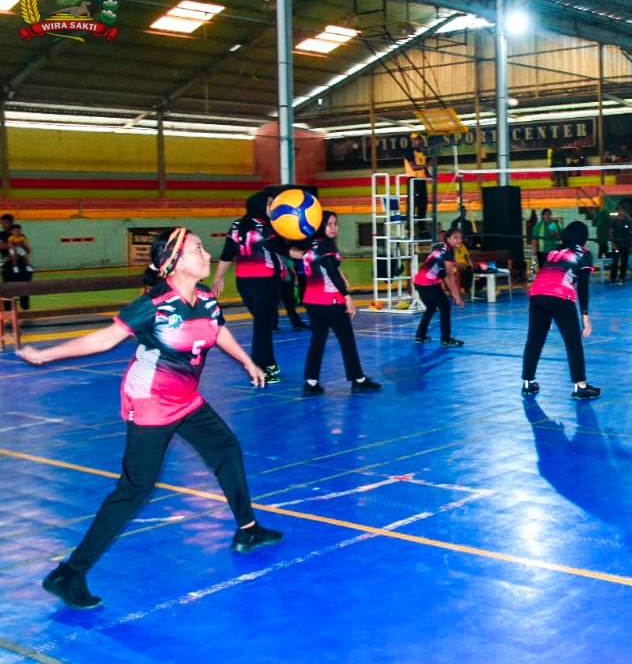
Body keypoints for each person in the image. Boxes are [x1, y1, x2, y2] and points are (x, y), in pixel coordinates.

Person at [17, 228, 282, 610]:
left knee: (226, 448)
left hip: (185, 398)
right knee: (135, 489)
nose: (206, 254)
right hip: (151, 400)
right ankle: (68, 574)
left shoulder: (207, 298)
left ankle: (248, 529)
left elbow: (218, 330)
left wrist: (247, 361)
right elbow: (105, 339)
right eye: (197, 249)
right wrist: (45, 355)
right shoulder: (154, 304)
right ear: (175, 262)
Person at [293, 211, 381, 396]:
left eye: (335, 223)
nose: (333, 228)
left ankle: (311, 382)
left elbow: (325, 265)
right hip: (330, 300)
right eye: (328, 224)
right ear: (320, 226)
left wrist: (339, 274)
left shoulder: (311, 243)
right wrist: (347, 296)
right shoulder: (326, 244)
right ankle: (358, 379)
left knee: (317, 341)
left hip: (312, 301)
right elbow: (331, 271)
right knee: (346, 340)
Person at [212, 192, 290, 384]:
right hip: (266, 282)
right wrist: (304, 253)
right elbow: (284, 250)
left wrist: (218, 277)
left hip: (244, 283)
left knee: (263, 324)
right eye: (269, 204)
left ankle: (269, 363)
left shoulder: (237, 225)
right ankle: (260, 369)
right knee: (263, 326)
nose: (272, 208)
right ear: (260, 205)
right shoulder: (269, 226)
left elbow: (227, 253)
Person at [521, 221, 600, 400]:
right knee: (573, 342)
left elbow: (543, 275)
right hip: (560, 296)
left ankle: (528, 382)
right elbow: (583, 287)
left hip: (536, 295)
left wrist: (547, 316)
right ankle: (580, 386)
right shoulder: (584, 253)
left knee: (534, 340)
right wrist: (585, 317)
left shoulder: (553, 251)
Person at [414, 227, 466, 347]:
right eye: (455, 238)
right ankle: (446, 340)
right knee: (445, 306)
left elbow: (438, 266)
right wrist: (457, 296)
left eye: (460, 238)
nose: (459, 240)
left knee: (431, 308)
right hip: (428, 283)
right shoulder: (448, 252)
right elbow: (448, 276)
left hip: (419, 282)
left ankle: (420, 336)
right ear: (448, 239)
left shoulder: (442, 247)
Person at [402, 132, 430, 221]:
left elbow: (424, 169)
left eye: (420, 140)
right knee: (413, 203)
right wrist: (428, 165)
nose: (419, 142)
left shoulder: (421, 153)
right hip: (413, 180)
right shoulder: (409, 152)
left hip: (421, 180)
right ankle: (409, 225)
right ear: (412, 141)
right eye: (416, 140)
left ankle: (421, 225)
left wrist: (430, 175)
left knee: (423, 203)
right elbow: (414, 167)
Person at [609, 204, 632, 285]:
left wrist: (630, 245)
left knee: (624, 262)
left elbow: (630, 234)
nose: (621, 212)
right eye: (619, 210)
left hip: (625, 245)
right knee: (615, 262)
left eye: (622, 210)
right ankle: (613, 278)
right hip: (616, 245)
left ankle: (622, 278)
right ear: (617, 211)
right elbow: (611, 233)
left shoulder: (628, 222)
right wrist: (613, 243)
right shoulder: (613, 222)